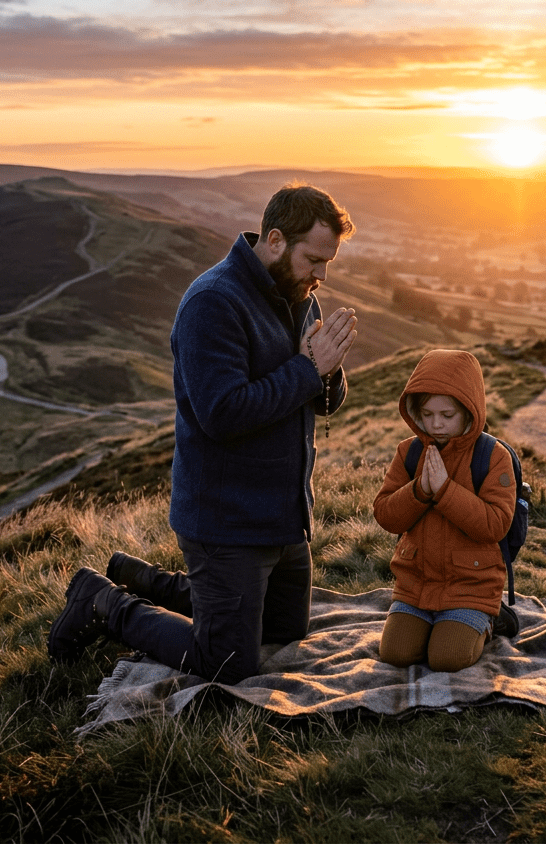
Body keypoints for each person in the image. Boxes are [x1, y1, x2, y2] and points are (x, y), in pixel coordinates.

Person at [48, 184, 357, 683]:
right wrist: (308, 368)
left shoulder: (300, 297)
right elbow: (222, 414)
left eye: (328, 263)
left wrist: (328, 370)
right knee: (228, 662)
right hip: (225, 519)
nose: (322, 275)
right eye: (315, 259)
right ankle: (103, 602)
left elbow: (321, 399)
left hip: (282, 519)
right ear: (275, 240)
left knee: (283, 631)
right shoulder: (213, 302)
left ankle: (142, 578)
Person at [372, 349, 516, 672]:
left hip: (470, 586)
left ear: (469, 412)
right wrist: (420, 491)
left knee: (446, 658)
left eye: (447, 415)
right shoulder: (408, 453)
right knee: (395, 654)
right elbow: (384, 513)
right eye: (427, 413)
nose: (435, 424)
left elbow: (496, 524)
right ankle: (440, 626)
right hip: (415, 586)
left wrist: (446, 491)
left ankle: (491, 620)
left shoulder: (493, 457)